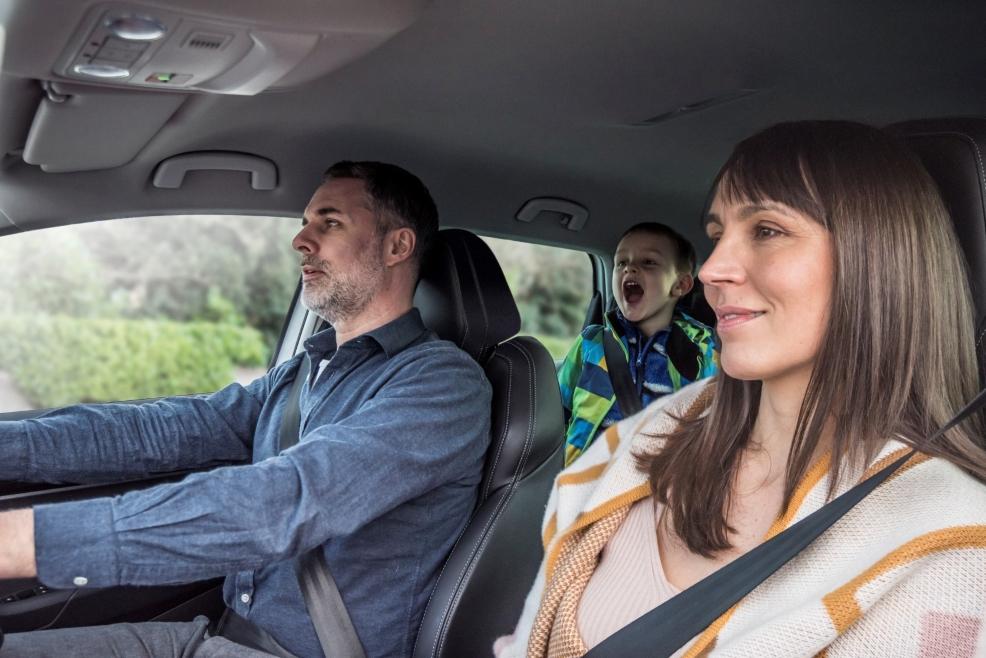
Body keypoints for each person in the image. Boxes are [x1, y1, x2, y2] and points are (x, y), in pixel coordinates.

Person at [496, 121, 986, 657]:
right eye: (717, 236)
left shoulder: (951, 545)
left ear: (876, 261)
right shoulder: (644, 431)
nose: (713, 270)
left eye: (767, 230)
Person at [0, 161, 493, 658]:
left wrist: (24, 540)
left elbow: (285, 499)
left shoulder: (442, 386)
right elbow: (160, 430)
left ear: (397, 247)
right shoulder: (305, 370)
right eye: (305, 222)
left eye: (330, 222)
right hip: (219, 637)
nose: (301, 240)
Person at [558, 222, 717, 466]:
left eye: (649, 262)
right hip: (587, 482)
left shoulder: (702, 349)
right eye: (621, 262)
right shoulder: (592, 343)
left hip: (662, 486)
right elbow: (559, 411)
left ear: (680, 285)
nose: (629, 268)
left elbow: (716, 423)